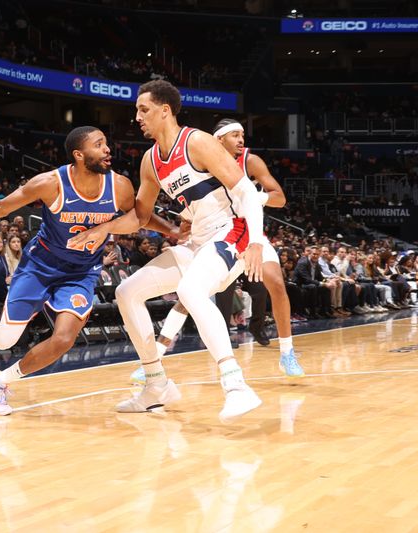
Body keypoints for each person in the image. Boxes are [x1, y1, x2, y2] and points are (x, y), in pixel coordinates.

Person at [68, 81, 290, 422]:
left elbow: (246, 192)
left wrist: (258, 242)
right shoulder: (150, 161)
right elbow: (141, 217)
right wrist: (103, 227)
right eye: (137, 111)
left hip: (233, 231)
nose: (137, 117)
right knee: (127, 291)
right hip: (197, 241)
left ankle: (236, 385)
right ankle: (156, 385)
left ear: (165, 110)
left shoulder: (198, 141)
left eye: (143, 110)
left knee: (190, 290)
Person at [0, 125, 175, 415]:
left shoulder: (119, 186)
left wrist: (173, 231)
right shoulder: (50, 183)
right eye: (99, 145)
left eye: (106, 144)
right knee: (5, 339)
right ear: (79, 154)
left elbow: (140, 216)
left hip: (81, 272)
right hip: (39, 267)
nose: (107, 150)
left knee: (64, 339)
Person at [132, 119, 301, 366]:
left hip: (246, 230)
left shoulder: (249, 161)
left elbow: (279, 198)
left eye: (242, 134)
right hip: (214, 234)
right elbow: (193, 201)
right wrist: (184, 220)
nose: (241, 140)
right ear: (218, 139)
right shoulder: (202, 157)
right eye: (235, 135)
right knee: (189, 295)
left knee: (275, 282)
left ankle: (287, 352)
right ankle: (156, 354)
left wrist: (251, 196)